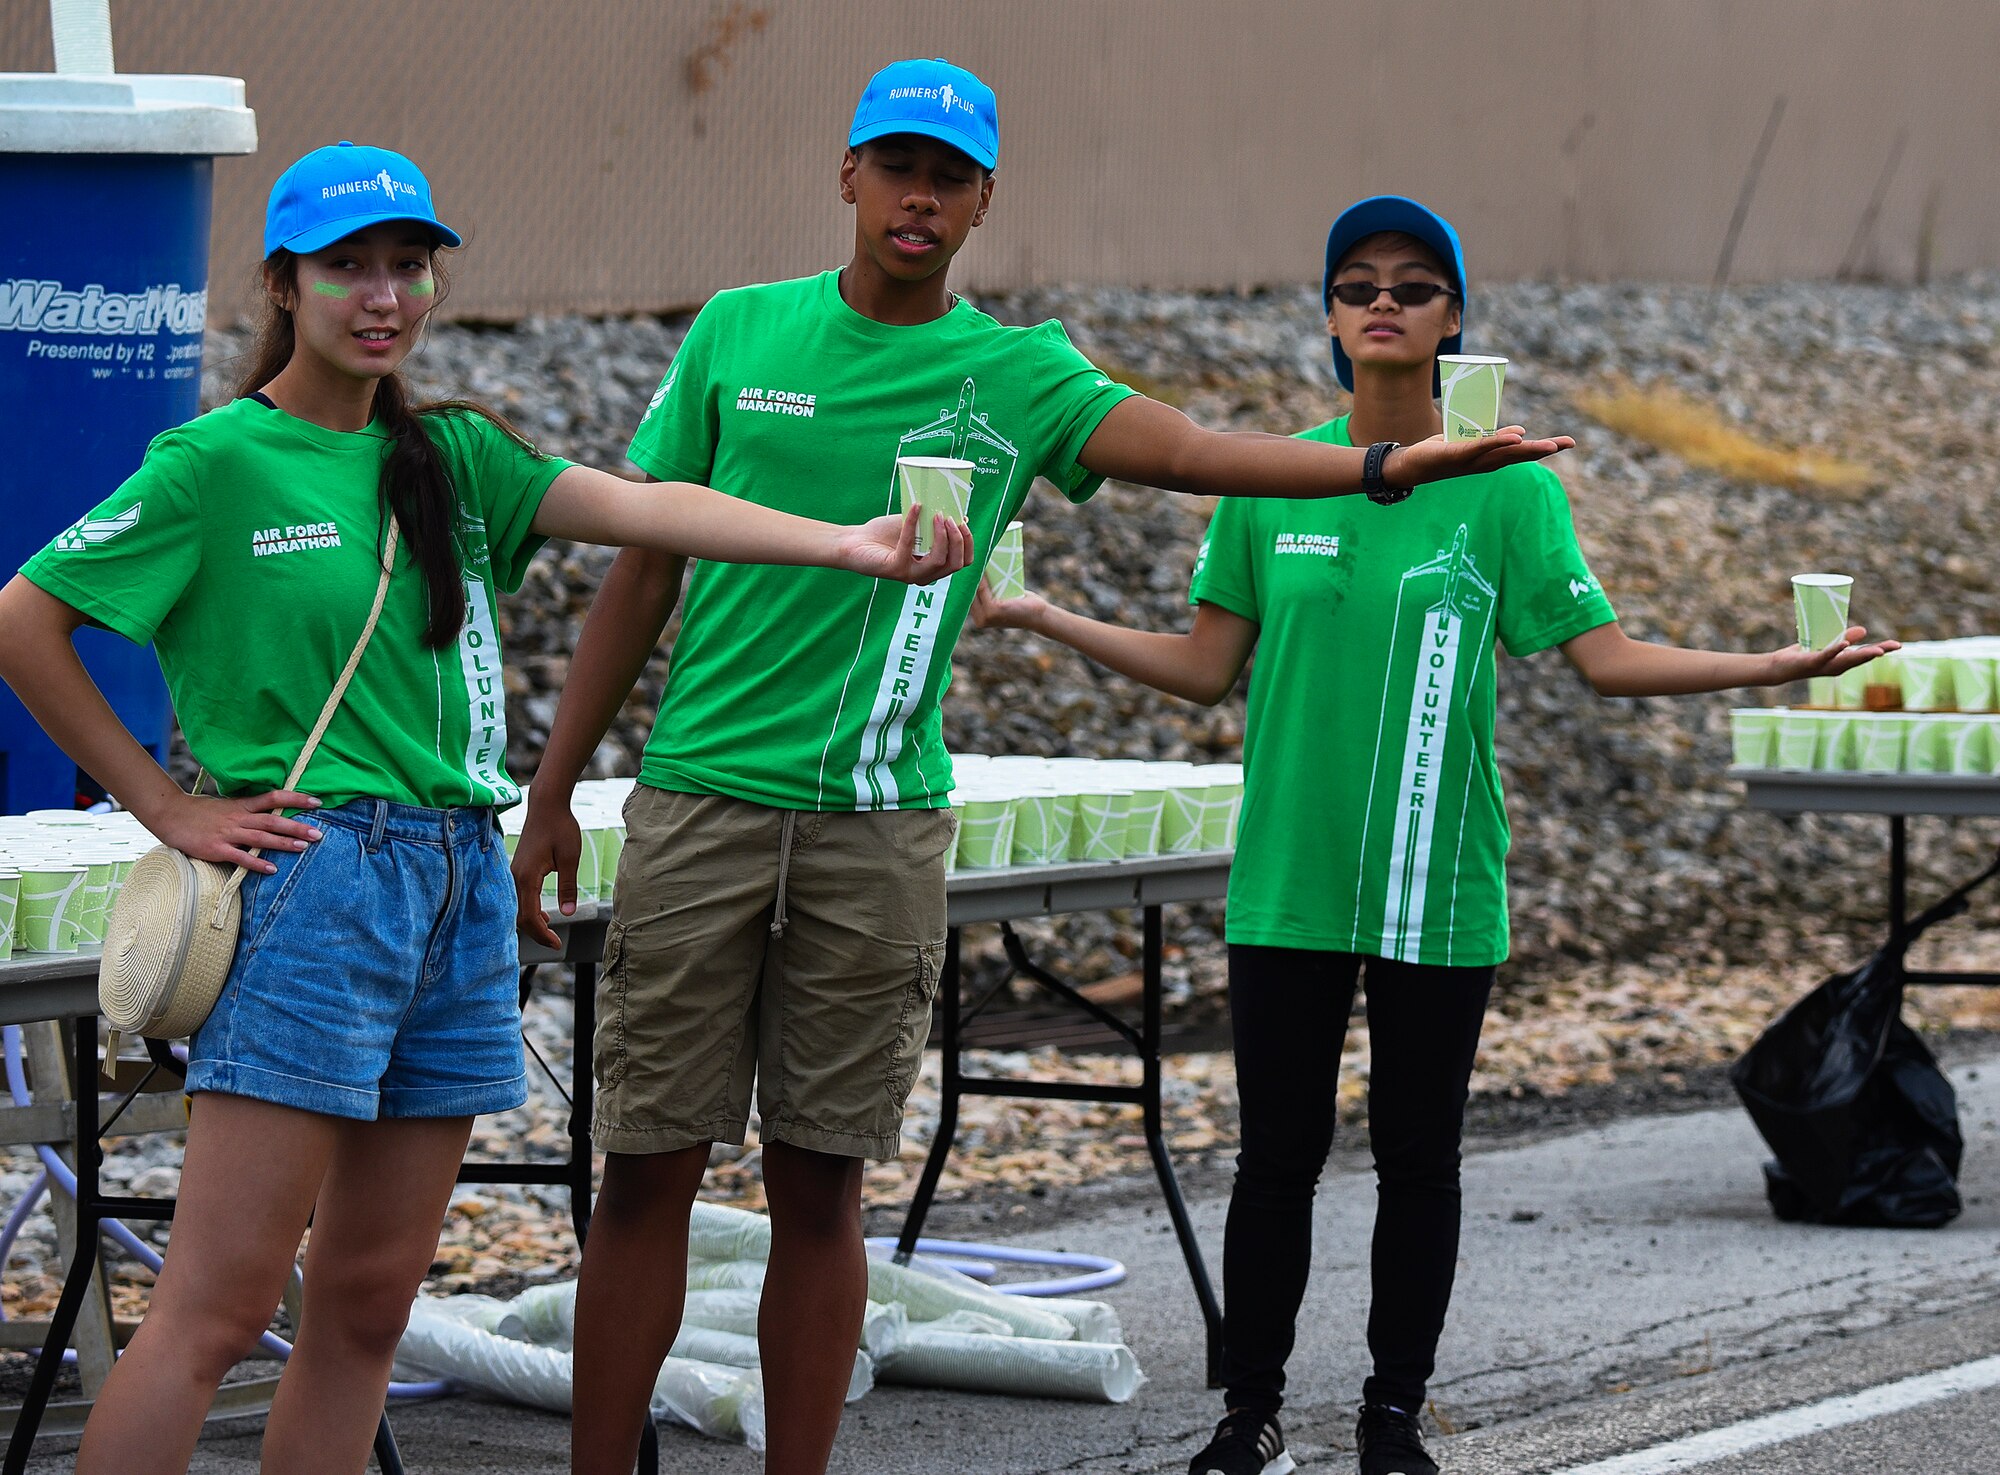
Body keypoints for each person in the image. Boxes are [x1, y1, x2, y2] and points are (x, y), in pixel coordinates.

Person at [510, 63, 1576, 1475]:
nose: (919, 195)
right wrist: (549, 790)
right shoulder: (738, 331)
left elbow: (1196, 451)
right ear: (846, 175)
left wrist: (1383, 471)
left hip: (879, 824)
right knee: (646, 1169)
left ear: (982, 203)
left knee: (819, 1185)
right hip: (700, 795)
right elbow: (640, 563)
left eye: (949, 175)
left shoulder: (1020, 374)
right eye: (896, 165)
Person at [0, 141, 969, 1475]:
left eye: (408, 264)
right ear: (285, 282)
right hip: (314, 886)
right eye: (348, 266)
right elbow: (25, 618)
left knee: (366, 1306)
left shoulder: (455, 454)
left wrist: (846, 541)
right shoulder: (215, 461)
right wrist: (162, 799)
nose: (383, 293)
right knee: (217, 1310)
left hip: (460, 883)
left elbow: (646, 505)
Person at [969, 195, 1895, 1475]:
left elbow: (1605, 660)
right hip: (1288, 876)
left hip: (1437, 882)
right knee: (1274, 1159)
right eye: (1357, 286)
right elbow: (1199, 668)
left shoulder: (1507, 490)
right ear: (1332, 320)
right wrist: (1039, 615)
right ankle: (1247, 1417)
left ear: (1454, 318)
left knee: (1418, 1161)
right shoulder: (1266, 480)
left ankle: (1391, 1417)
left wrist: (1776, 658)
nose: (1384, 303)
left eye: (1413, 285)